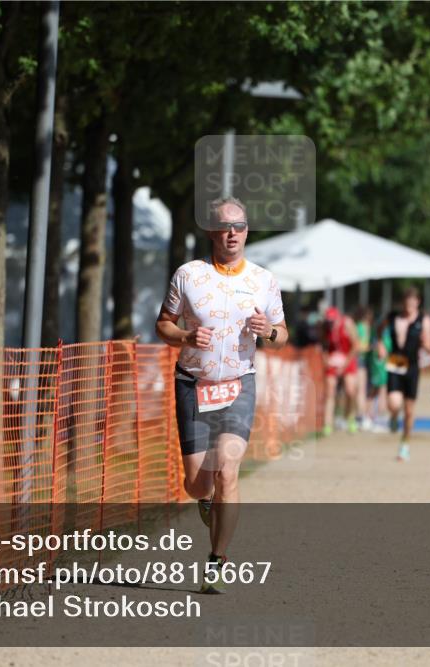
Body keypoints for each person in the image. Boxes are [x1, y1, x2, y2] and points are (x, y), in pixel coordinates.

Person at [156, 197, 287, 593]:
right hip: (193, 384)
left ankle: (217, 561)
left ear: (247, 231)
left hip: (238, 384)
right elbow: (163, 324)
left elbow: (283, 336)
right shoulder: (188, 275)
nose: (232, 233)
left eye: (240, 226)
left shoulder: (264, 281)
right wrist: (184, 335)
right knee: (197, 484)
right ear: (212, 231)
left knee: (228, 469)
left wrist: (269, 332)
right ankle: (205, 497)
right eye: (225, 226)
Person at [385, 287, 430, 461]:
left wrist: (426, 345)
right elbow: (379, 331)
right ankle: (393, 416)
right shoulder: (393, 317)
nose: (409, 305)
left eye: (413, 301)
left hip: (412, 366)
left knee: (409, 410)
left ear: (418, 302)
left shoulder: (423, 320)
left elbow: (429, 343)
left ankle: (404, 445)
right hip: (395, 362)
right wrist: (380, 346)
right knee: (393, 403)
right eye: (407, 301)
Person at [322, 305, 360, 435]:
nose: (330, 324)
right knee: (330, 390)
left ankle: (350, 417)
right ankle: (327, 424)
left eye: (332, 321)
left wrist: (344, 365)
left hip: (348, 358)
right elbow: (324, 346)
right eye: (329, 321)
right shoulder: (325, 327)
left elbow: (356, 345)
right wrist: (327, 360)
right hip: (334, 360)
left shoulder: (347, 324)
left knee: (350, 390)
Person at [354, 305, 374, 431]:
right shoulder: (363, 327)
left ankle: (362, 415)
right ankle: (362, 415)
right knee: (361, 390)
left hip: (363, 360)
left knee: (362, 390)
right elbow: (360, 346)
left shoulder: (359, 327)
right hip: (361, 359)